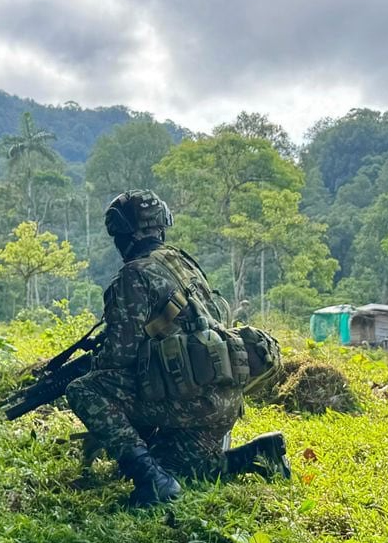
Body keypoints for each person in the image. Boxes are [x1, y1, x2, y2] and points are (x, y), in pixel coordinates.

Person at [67, 190, 283, 506]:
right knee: (180, 468)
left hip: (188, 401)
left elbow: (119, 355)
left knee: (83, 390)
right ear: (160, 227)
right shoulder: (183, 263)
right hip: (223, 401)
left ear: (122, 235)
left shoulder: (135, 273)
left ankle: (153, 484)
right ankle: (260, 454)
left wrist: (95, 365)